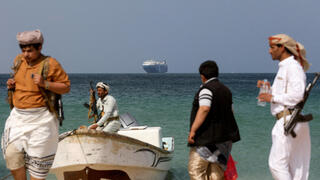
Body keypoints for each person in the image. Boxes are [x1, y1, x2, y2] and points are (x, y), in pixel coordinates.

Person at [1, 29, 70, 180]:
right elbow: (20, 80)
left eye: (30, 51)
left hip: (42, 120)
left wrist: (45, 83)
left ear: (39, 48)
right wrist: (12, 85)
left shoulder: (51, 63)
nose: (26, 54)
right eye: (24, 50)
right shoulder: (19, 61)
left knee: (38, 166)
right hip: (18, 118)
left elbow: (66, 87)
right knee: (11, 155)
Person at [258, 34, 311, 180]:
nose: (269, 51)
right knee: (295, 167)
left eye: (272, 47)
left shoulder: (292, 67)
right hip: (291, 120)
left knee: (276, 164)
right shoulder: (286, 67)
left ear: (282, 48)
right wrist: (269, 90)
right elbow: (287, 94)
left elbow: (297, 95)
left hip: (289, 120)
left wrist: (272, 97)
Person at [188, 60, 240, 180]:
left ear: (202, 76)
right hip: (224, 140)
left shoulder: (206, 89)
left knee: (196, 170)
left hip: (205, 140)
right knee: (216, 174)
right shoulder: (226, 90)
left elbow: (204, 108)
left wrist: (193, 131)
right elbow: (231, 112)